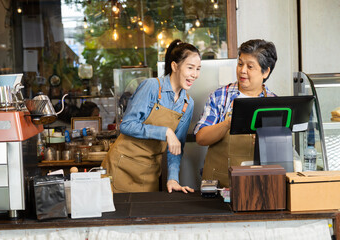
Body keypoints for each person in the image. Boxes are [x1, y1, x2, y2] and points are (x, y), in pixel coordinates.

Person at [101, 39, 201, 193]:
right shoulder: (152, 87)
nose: (195, 75)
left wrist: (173, 178)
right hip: (121, 166)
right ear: (175, 66)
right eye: (190, 68)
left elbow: (176, 147)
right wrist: (165, 132)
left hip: (148, 173)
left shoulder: (187, 104)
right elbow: (126, 125)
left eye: (198, 69)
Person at [194, 39, 278, 187]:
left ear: (266, 72)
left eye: (250, 66)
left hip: (259, 186)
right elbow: (201, 138)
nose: (242, 70)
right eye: (240, 64)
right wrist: (227, 124)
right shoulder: (220, 96)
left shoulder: (274, 104)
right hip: (219, 185)